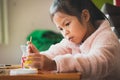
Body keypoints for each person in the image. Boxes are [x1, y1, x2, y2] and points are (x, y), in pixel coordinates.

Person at [26, 0, 120, 80]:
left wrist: (54, 64)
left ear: (85, 16)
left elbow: (96, 63)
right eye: (61, 29)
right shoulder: (73, 40)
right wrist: (37, 58)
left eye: (67, 24)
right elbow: (54, 52)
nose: (65, 32)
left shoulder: (107, 38)